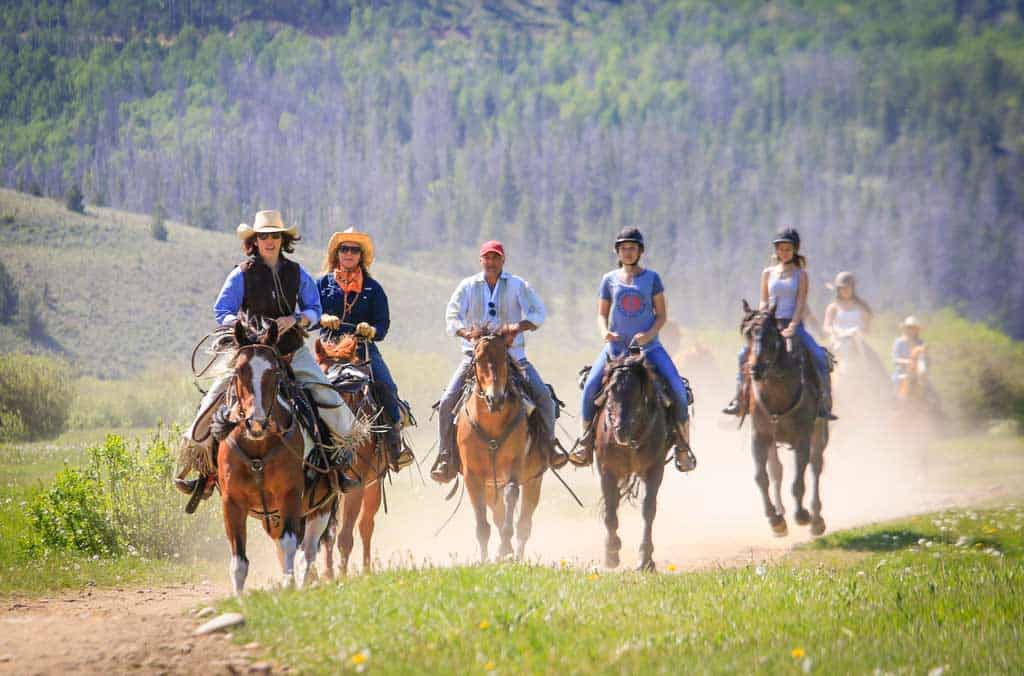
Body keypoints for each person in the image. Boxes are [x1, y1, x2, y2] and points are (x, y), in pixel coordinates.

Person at [174, 210, 358, 503]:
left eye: (274, 236)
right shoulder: (241, 274)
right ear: (254, 241)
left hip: (289, 351)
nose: (269, 241)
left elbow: (314, 309)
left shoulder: (298, 273)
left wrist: (296, 320)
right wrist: (240, 325)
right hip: (248, 353)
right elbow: (222, 310)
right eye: (263, 236)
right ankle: (204, 471)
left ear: (283, 239)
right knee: (213, 401)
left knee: (326, 395)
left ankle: (337, 463)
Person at [431, 240, 569, 483]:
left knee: (543, 397)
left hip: (513, 357)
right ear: (481, 260)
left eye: (496, 258)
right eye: (487, 258)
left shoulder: (517, 285)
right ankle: (446, 456)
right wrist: (467, 333)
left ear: (503, 261)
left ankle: (549, 446)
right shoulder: (468, 286)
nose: (491, 262)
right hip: (477, 357)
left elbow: (538, 312)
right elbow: (451, 316)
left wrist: (518, 326)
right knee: (446, 402)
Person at [568, 227, 697, 472]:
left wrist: (648, 335)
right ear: (618, 251)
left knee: (678, 391)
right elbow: (601, 315)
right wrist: (604, 331)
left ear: (640, 251)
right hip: (615, 349)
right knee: (590, 389)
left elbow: (662, 316)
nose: (628, 252)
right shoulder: (609, 279)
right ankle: (585, 442)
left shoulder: (652, 279)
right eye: (624, 248)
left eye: (632, 248)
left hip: (649, 349)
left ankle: (683, 447)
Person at [318, 227, 413, 472]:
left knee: (387, 386)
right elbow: (308, 312)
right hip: (328, 348)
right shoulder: (321, 284)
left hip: (363, 349)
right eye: (344, 249)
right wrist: (323, 318)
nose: (348, 253)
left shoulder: (374, 288)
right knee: (302, 386)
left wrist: (370, 330)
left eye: (354, 249)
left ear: (361, 255)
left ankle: (394, 445)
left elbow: (383, 324)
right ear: (336, 253)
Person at [722, 228, 837, 420]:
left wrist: (793, 325)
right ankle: (740, 398)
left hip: (793, 324)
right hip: (771, 325)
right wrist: (761, 320)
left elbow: (801, 302)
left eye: (787, 248)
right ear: (776, 250)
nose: (783, 252)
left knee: (818, 355)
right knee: (744, 355)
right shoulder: (768, 273)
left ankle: (824, 401)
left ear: (795, 250)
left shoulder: (801, 275)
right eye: (780, 248)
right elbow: (763, 301)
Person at [822, 271, 873, 342]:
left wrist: (858, 332)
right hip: (838, 340)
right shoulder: (833, 307)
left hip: (857, 342)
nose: (845, 290)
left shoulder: (862, 307)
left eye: (848, 287)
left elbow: (867, 329)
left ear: (853, 288)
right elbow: (826, 326)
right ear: (838, 289)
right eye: (842, 288)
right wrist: (834, 331)